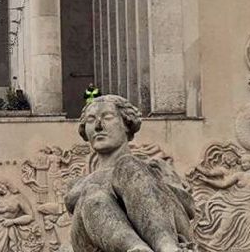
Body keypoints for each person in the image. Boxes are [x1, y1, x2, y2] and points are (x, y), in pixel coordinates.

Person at [65, 95, 196, 252]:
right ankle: (136, 248)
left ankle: (166, 246)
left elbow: (188, 207)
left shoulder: (153, 167)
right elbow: (74, 205)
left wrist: (145, 181)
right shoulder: (82, 184)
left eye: (107, 117)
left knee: (128, 166)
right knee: (93, 195)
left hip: (170, 230)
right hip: (96, 240)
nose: (98, 126)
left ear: (127, 124)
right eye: (91, 120)